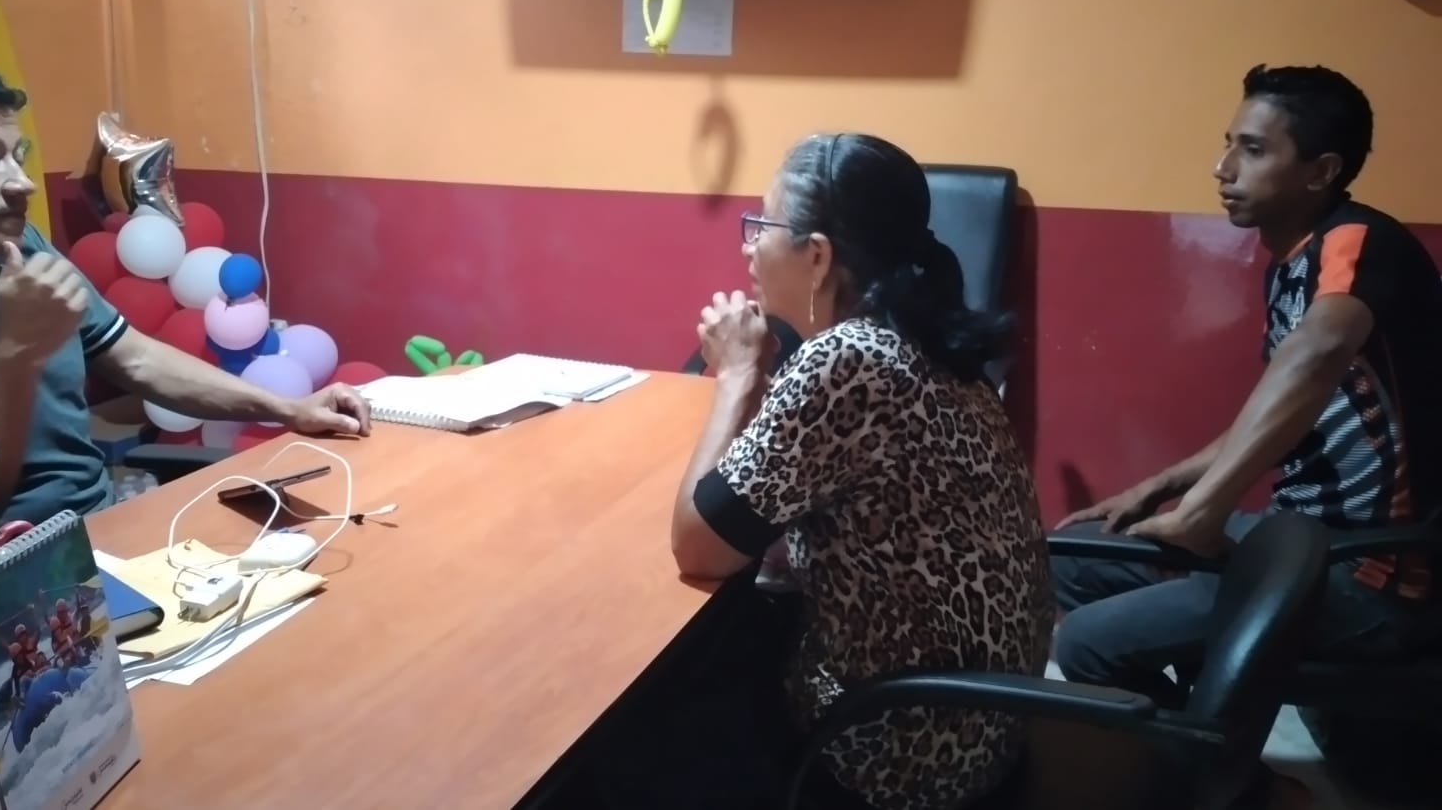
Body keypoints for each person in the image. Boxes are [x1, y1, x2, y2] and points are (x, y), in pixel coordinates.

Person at [597, 133, 1053, 810]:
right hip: (980, 724)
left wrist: (739, 372)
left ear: (817, 256)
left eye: (762, 225)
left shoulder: (846, 361)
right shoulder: (922, 336)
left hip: (899, 750)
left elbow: (698, 546)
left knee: (650, 715)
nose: (749, 247)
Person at [1051, 64, 1442, 711]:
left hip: (1372, 576)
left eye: (1254, 150)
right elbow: (1277, 407)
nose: (1223, 167)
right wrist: (1159, 487)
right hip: (1297, 539)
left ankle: (1204, 759)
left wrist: (1204, 511)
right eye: (1229, 144)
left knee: (1087, 644)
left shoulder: (1355, 243)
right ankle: (1202, 738)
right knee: (1071, 555)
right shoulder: (1292, 264)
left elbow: (1318, 352)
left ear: (1320, 171)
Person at [0, 56, 370, 534]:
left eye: (19, 157)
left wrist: (288, 408)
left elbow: (134, 358)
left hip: (106, 529)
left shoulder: (18, 247)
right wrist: (17, 352)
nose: (23, 183)